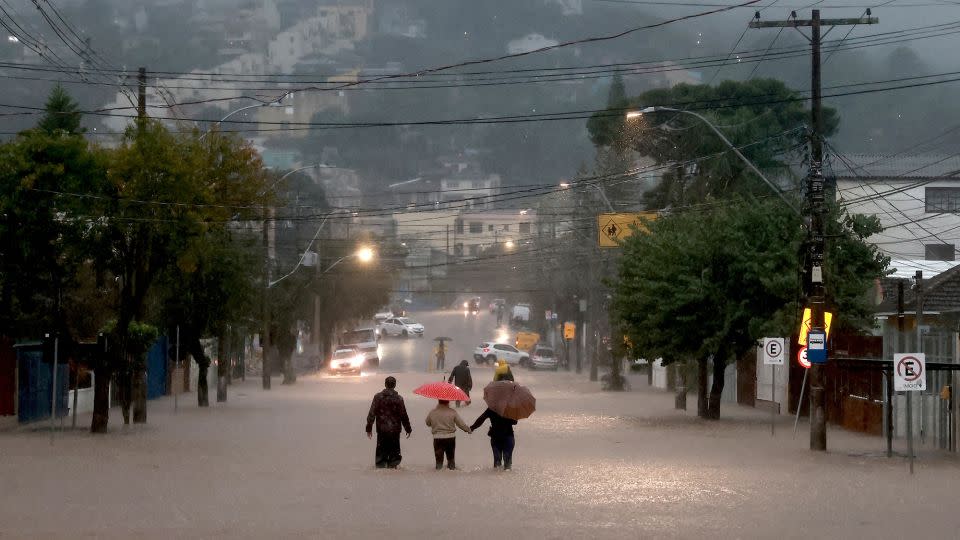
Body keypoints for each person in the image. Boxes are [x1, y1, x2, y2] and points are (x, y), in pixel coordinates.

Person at [365, 376, 412, 469]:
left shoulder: (378, 397)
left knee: (381, 452)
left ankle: (381, 467)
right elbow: (403, 415)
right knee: (394, 453)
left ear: (385, 384)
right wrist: (408, 428)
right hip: (395, 430)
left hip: (382, 429)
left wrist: (369, 428)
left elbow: (372, 413)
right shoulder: (399, 399)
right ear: (394, 385)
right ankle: (393, 467)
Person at [425, 400, 472, 470]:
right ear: (448, 402)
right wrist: (468, 429)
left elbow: (427, 423)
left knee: (439, 463)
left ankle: (437, 477)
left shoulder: (433, 412)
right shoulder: (452, 412)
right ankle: (452, 476)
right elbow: (460, 424)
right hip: (450, 438)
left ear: (439, 402)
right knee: (451, 460)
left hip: (438, 438)